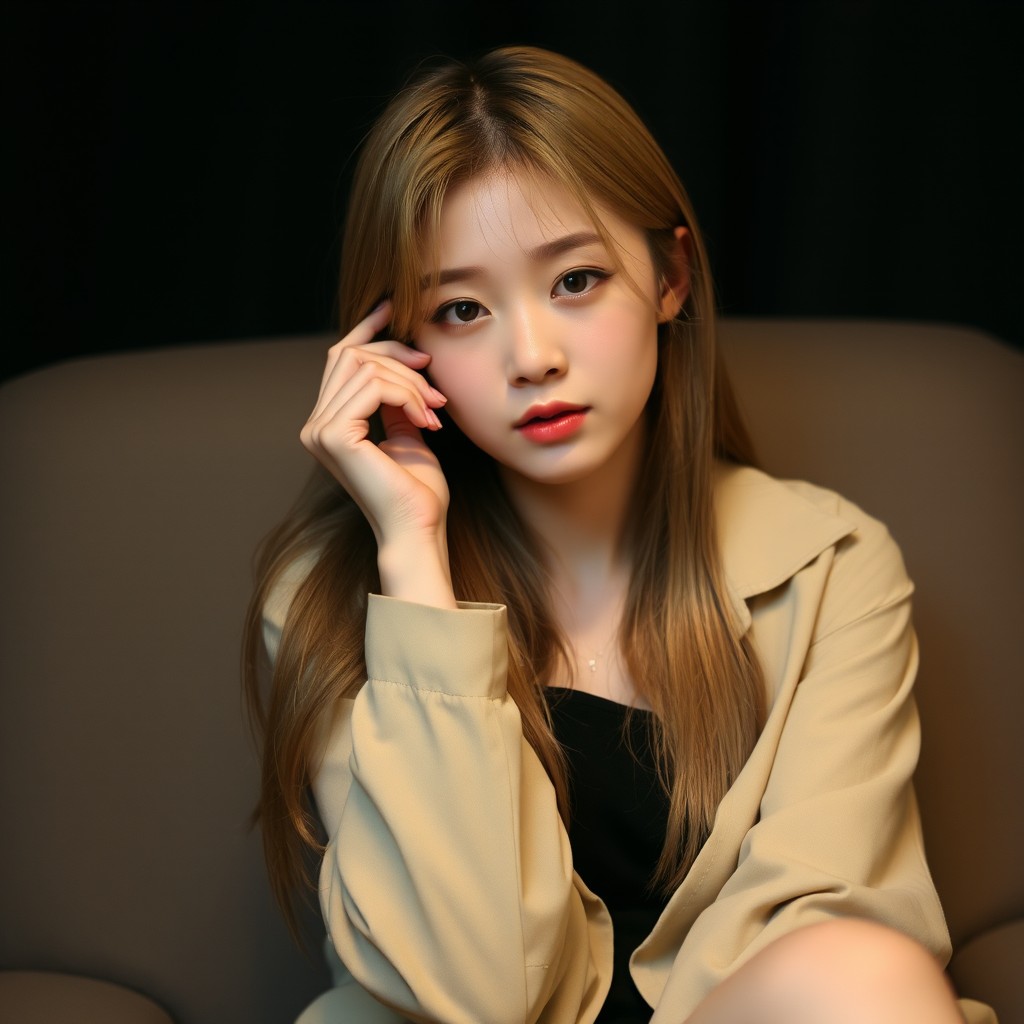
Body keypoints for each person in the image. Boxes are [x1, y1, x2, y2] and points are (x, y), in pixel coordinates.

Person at [244, 46, 996, 1024]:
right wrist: (413, 559)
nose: (532, 356)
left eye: (576, 280)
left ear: (669, 276)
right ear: (397, 348)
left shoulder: (829, 566)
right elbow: (466, 991)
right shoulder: (328, 597)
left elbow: (834, 945)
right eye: (462, 308)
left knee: (859, 975)